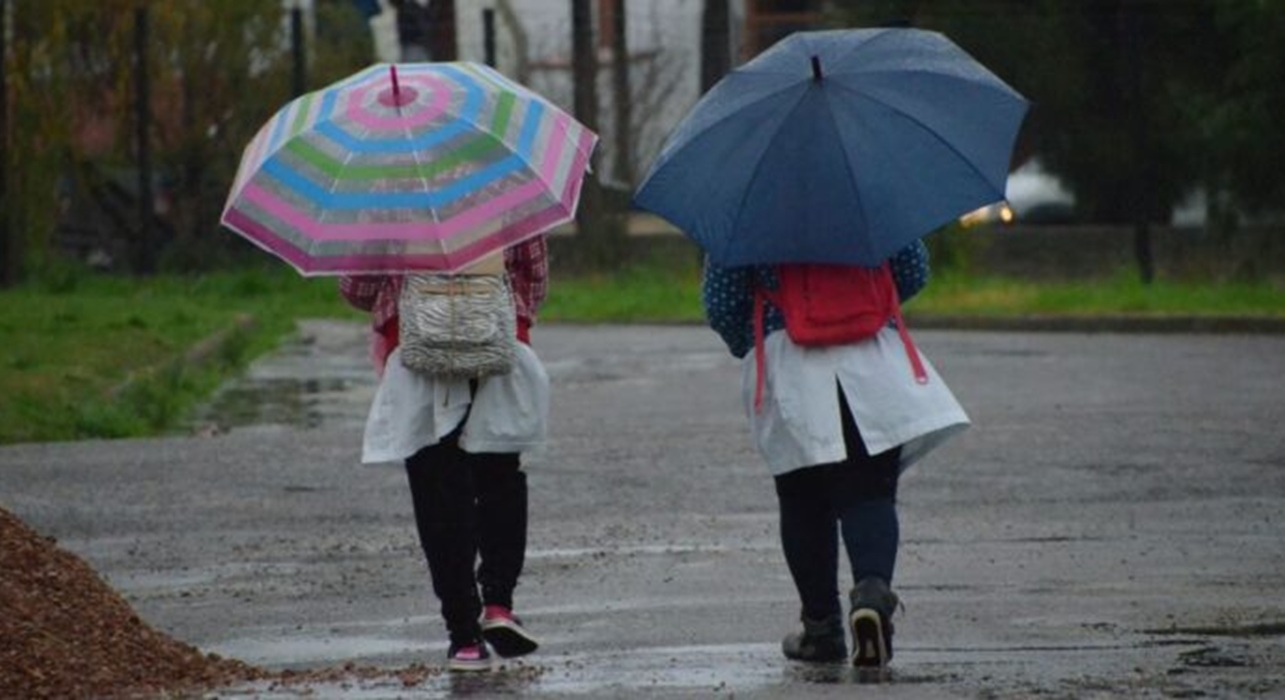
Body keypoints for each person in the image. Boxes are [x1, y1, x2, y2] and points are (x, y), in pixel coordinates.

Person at [701, 240, 970, 673]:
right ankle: (871, 596)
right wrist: (862, 309)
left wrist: (759, 338)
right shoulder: (866, 189)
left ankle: (821, 629)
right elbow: (913, 269)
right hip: (869, 358)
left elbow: (722, 302)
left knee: (803, 497)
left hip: (790, 364)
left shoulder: (749, 209)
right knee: (870, 491)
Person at [339, 236, 550, 672]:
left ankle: (464, 638)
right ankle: (497, 604)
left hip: (418, 354)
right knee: (500, 477)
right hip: (497, 347)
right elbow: (535, 279)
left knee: (438, 491)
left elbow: (357, 288)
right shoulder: (508, 184)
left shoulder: (388, 193)